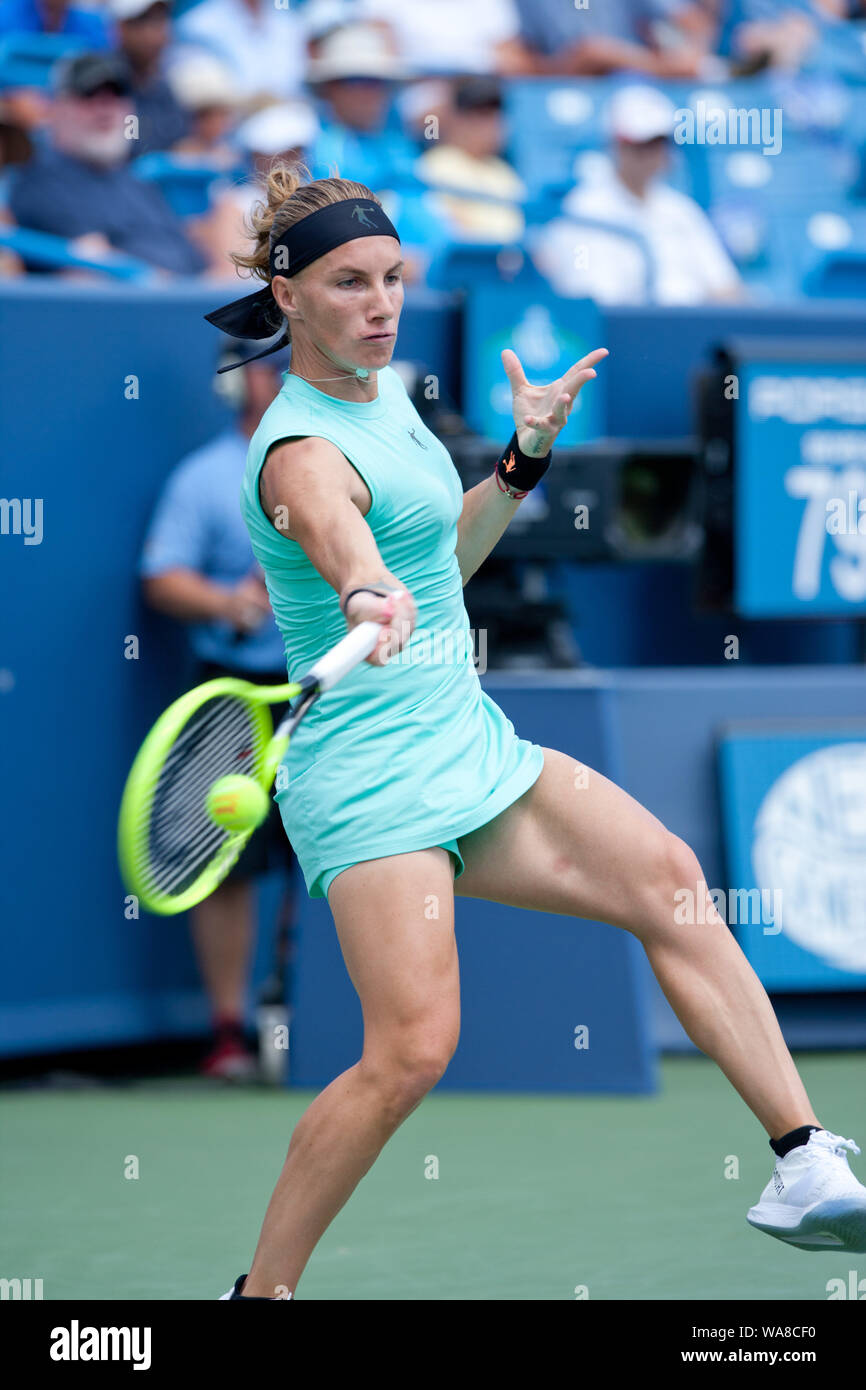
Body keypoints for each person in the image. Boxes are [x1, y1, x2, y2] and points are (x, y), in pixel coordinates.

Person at [204, 165, 865, 1299]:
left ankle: (801, 1162)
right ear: (287, 295)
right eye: (348, 283)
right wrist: (363, 591)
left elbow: (440, 563)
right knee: (410, 1050)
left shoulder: (388, 400)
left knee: (667, 879)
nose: (380, 303)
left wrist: (519, 461)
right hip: (365, 777)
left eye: (392, 279)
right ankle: (260, 1294)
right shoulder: (301, 449)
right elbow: (342, 543)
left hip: (465, 739)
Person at [139, 341, 297, 1080]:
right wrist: (229, 602)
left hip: (326, 689)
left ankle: (310, 1021)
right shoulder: (203, 478)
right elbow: (163, 577)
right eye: (275, 365)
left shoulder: (344, 457)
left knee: (341, 855)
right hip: (232, 691)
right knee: (224, 864)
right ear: (243, 383)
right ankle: (231, 1032)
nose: (286, 376)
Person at [532, 85, 743, 305]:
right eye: (644, 144)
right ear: (617, 145)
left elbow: (725, 287)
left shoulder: (682, 210)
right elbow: (592, 300)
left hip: (691, 329)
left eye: (661, 143)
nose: (654, 154)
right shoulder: (582, 211)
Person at [7, 51, 208, 275]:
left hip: (187, 297)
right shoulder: (40, 179)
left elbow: (194, 260)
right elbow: (92, 269)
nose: (105, 107)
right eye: (89, 94)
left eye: (117, 93)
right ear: (56, 109)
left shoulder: (138, 181)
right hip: (135, 305)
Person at [412, 74, 525, 243]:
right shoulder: (437, 164)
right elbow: (443, 229)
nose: (489, 125)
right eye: (479, 115)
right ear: (457, 119)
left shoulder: (504, 172)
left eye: (494, 115)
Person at [109, 0, 190, 157]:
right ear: (121, 28)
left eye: (160, 20)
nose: (153, 33)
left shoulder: (165, 89)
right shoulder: (102, 85)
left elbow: (180, 143)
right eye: (142, 21)